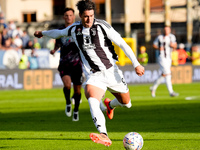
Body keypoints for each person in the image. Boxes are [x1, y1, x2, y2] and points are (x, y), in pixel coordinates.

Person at [34, 0, 144, 147]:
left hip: (111, 72)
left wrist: (136, 64)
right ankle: (104, 134)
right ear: (80, 15)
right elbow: (59, 33)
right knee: (92, 98)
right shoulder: (74, 29)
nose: (89, 19)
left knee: (127, 103)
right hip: (94, 75)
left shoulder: (102, 26)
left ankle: (110, 105)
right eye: (86, 16)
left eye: (91, 16)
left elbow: (122, 43)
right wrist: (43, 33)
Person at [50, 8, 83, 121]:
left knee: (77, 91)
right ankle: (68, 102)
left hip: (77, 64)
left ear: (74, 17)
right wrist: (54, 50)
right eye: (66, 15)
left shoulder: (79, 29)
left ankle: (76, 110)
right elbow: (58, 44)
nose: (68, 17)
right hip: (64, 63)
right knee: (67, 85)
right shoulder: (60, 30)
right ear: (64, 17)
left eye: (70, 15)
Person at [150, 25, 179, 97]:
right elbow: (154, 45)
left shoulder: (172, 37)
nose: (166, 31)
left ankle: (153, 88)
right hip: (161, 57)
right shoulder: (160, 37)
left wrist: (173, 45)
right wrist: (159, 48)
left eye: (167, 30)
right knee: (168, 73)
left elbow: (175, 45)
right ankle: (171, 92)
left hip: (169, 58)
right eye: (165, 30)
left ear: (170, 30)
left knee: (164, 74)